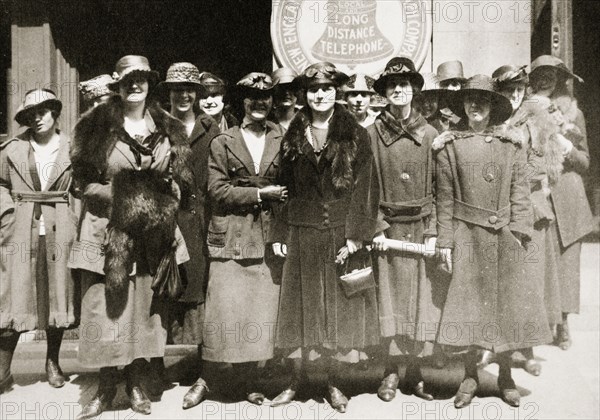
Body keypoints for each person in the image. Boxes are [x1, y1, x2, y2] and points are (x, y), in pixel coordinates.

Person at [70, 55, 193, 418]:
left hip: (153, 234)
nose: (135, 85)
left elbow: (180, 182)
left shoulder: (170, 128)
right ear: (118, 85)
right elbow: (83, 183)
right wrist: (132, 199)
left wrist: (165, 200)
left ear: (150, 83)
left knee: (144, 310)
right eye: (128, 80)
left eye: (141, 78)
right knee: (107, 310)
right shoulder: (95, 126)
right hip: (107, 231)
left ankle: (137, 383)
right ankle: (106, 388)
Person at [434, 75, 553, 408]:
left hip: (503, 234)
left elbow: (520, 192)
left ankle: (505, 376)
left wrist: (519, 231)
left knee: (507, 310)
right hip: (466, 234)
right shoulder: (448, 146)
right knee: (469, 309)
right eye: (470, 101)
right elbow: (443, 198)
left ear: (492, 108)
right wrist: (446, 240)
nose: (476, 107)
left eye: (483, 101)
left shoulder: (510, 144)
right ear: (463, 106)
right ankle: (470, 377)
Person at [270, 62, 381, 413]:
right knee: (301, 308)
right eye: (314, 89)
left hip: (337, 231)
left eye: (327, 89)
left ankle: (333, 381)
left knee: (334, 309)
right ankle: (298, 378)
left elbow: (367, 188)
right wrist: (279, 231)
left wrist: (356, 236)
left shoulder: (355, 134)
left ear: (337, 93)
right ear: (305, 94)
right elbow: (284, 188)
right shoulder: (293, 134)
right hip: (302, 231)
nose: (320, 95)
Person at [200, 72, 285, 405]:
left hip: (268, 236)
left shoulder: (283, 137)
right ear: (242, 102)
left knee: (258, 310)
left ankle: (250, 381)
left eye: (266, 97)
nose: (260, 102)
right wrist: (261, 194)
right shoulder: (223, 141)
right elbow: (217, 190)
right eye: (252, 97)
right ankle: (211, 379)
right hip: (232, 235)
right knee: (225, 309)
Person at [368, 57, 441, 402]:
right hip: (389, 230)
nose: (398, 90)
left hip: (421, 227)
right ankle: (390, 373)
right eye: (391, 85)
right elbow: (365, 188)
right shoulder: (371, 134)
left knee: (419, 302)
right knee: (391, 300)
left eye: (405, 84)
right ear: (384, 92)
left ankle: (416, 373)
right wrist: (377, 227)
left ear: (414, 89)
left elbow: (444, 189)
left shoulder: (430, 134)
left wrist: (433, 231)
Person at [0, 89, 76, 394]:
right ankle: (3, 370)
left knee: (57, 295)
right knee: (14, 295)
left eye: (43, 111)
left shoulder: (73, 146)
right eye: (31, 113)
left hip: (59, 227)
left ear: (54, 112)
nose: (37, 118)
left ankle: (53, 363)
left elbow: (83, 186)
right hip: (20, 228)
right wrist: (7, 214)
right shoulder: (12, 149)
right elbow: (0, 184)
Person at [492, 64, 564, 376]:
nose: (516, 95)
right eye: (510, 90)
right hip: (498, 209)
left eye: (520, 90)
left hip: (530, 210)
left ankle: (528, 348)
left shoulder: (536, 121)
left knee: (529, 281)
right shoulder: (494, 121)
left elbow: (545, 166)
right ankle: (496, 347)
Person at [159, 62, 220, 408]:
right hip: (167, 216)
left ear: (198, 94)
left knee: (200, 285)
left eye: (190, 90)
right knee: (164, 286)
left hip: (201, 218)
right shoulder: (156, 127)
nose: (183, 95)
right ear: (167, 93)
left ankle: (200, 364)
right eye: (176, 89)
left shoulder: (210, 128)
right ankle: (155, 363)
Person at [529, 55, 594, 351]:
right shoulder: (528, 111)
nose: (545, 81)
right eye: (539, 76)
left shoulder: (573, 113)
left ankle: (563, 325)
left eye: (551, 76)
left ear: (559, 80)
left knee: (567, 264)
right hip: (541, 194)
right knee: (544, 262)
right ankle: (542, 322)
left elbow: (585, 162)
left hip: (568, 195)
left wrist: (567, 146)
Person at [271, 67, 300, 131]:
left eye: (290, 88)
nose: (286, 93)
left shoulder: (307, 122)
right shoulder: (266, 125)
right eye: (282, 88)